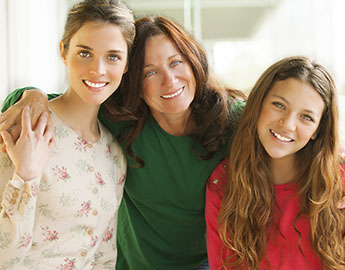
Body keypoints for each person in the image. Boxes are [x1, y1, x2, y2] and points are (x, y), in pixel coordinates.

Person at [0, 16, 246, 269]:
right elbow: (52, 106)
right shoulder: (122, 120)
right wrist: (33, 95)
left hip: (203, 264)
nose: (169, 80)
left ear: (194, 62)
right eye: (150, 72)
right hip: (129, 265)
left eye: (176, 63)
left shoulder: (233, 120)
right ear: (136, 84)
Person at [0, 0, 135, 268]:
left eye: (113, 56)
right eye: (85, 53)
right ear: (63, 51)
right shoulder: (25, 126)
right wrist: (25, 175)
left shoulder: (114, 155)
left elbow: (103, 255)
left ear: (127, 63)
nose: (98, 69)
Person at [205, 56, 345, 270]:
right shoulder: (224, 182)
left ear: (317, 130)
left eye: (306, 117)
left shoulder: (342, 181)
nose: (288, 124)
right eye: (279, 105)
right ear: (258, 104)